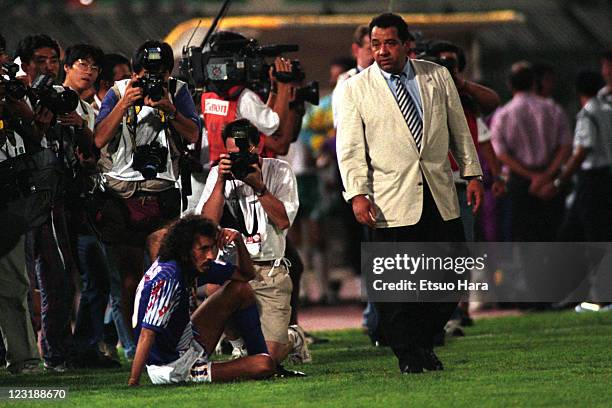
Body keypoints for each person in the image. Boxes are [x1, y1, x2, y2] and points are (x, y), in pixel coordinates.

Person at [336, 13, 483, 374]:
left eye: (389, 43)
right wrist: (357, 193)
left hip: (439, 191)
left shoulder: (437, 76)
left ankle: (421, 342)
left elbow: (458, 129)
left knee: (453, 271)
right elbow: (350, 148)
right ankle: (409, 355)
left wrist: (473, 173)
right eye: (375, 44)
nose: (381, 51)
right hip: (388, 199)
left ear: (405, 45)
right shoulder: (356, 88)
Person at [95, 40, 199, 332]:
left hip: (161, 192)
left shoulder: (177, 91)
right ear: (134, 71)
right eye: (145, 75)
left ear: (169, 72)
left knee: (167, 271)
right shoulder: (118, 91)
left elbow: (192, 135)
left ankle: (172, 336)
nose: (153, 80)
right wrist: (124, 103)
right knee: (129, 279)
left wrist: (170, 109)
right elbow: (99, 139)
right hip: (121, 193)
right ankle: (133, 346)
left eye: (160, 74)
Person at [197, 119, 310, 369]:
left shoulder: (280, 171)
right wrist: (220, 183)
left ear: (257, 147)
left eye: (243, 153)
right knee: (214, 287)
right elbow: (206, 223)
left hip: (270, 271)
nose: (237, 159)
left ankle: (292, 337)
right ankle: (238, 347)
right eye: (232, 154)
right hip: (236, 270)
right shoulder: (219, 173)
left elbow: (282, 220)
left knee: (269, 358)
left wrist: (259, 187)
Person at [128, 216, 274, 386]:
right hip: (172, 367)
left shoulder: (187, 264)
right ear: (185, 249)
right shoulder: (169, 276)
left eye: (212, 248)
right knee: (264, 365)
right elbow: (147, 333)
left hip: (186, 343)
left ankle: (248, 353)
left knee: (240, 289)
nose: (210, 255)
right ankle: (258, 359)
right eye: (203, 248)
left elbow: (246, 275)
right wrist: (133, 381)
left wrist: (239, 241)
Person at [490, 62, 572, 242]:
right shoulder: (553, 109)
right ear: (534, 83)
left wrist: (531, 176)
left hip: (521, 183)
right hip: (550, 181)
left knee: (525, 239)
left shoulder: (503, 114)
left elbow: (501, 154)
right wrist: (546, 176)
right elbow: (565, 146)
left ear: (510, 85)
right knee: (552, 236)